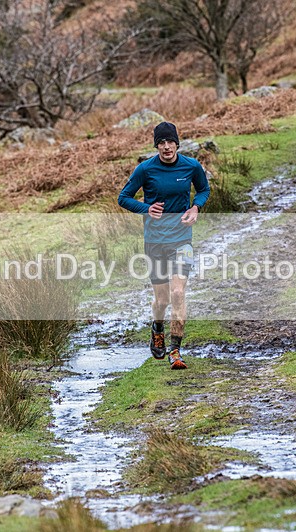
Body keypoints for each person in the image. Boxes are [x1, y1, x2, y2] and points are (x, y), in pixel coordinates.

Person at [118, 122, 210, 370]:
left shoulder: (191, 166)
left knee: (178, 293)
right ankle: (157, 327)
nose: (166, 147)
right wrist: (146, 208)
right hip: (155, 241)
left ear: (177, 144)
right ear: (156, 145)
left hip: (182, 240)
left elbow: (203, 189)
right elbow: (123, 198)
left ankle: (175, 351)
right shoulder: (145, 169)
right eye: (161, 143)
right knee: (162, 300)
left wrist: (195, 207)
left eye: (170, 142)